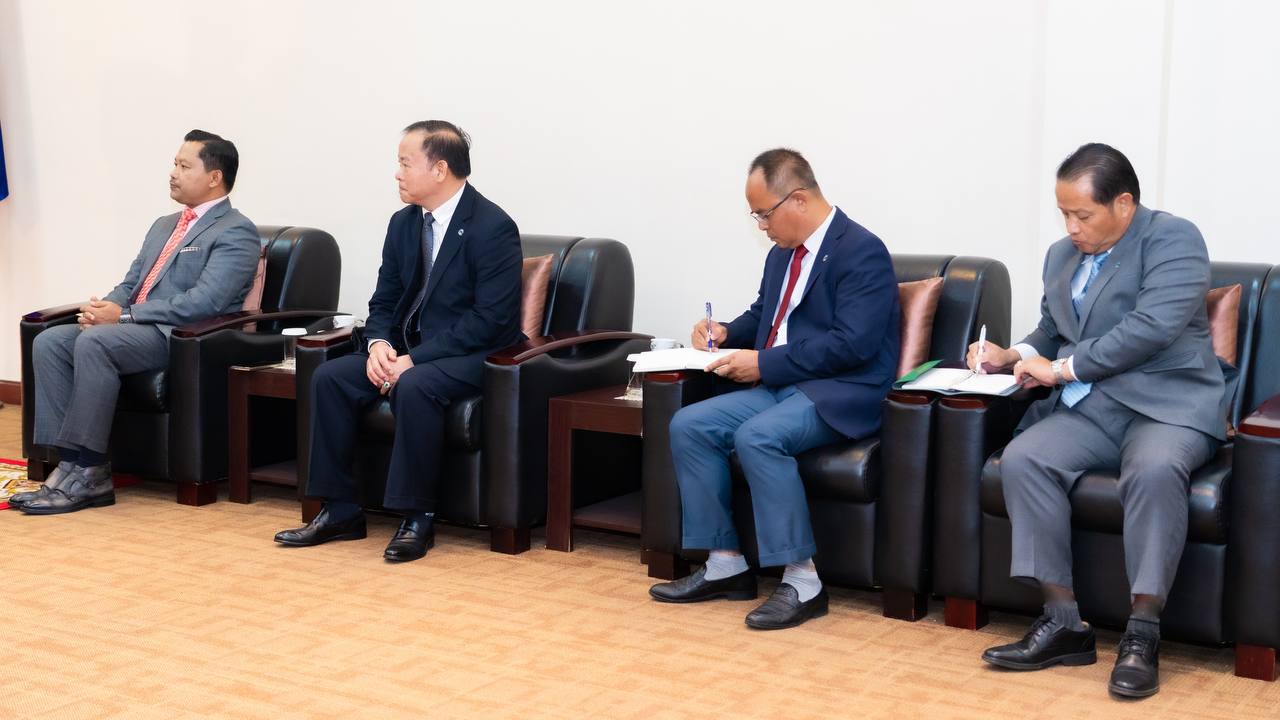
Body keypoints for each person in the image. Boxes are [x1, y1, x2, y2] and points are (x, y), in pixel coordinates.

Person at [970, 143, 1225, 698]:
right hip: (1095, 407)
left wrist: (1060, 369)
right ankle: (1064, 623)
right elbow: (1051, 328)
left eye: (1082, 215)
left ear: (1124, 204)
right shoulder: (1061, 256)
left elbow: (1151, 328)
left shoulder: (1173, 239)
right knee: (1025, 458)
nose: (1071, 227)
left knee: (1153, 471)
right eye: (1064, 213)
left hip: (1169, 405)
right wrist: (1011, 355)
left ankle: (1143, 632)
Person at [648, 148, 901, 629]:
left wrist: (763, 364)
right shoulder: (782, 255)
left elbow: (853, 344)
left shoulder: (861, 251)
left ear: (798, 199)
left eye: (764, 214)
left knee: (758, 436)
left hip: (841, 389)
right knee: (690, 425)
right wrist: (725, 331)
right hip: (785, 383)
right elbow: (766, 316)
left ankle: (804, 581)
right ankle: (725, 565)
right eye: (757, 216)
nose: (762, 226)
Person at [274, 120, 523, 562]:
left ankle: (417, 517)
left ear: (440, 169)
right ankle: (340, 510)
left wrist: (414, 360)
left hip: (475, 354)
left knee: (416, 384)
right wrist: (378, 345)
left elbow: (490, 320)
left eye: (406, 164)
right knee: (331, 378)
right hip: (408, 350)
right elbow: (385, 298)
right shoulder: (404, 224)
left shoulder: (492, 226)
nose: (397, 173)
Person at [15, 130, 259, 514]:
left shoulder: (236, 230)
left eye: (184, 166)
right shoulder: (164, 225)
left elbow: (205, 302)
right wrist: (103, 310)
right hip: (133, 329)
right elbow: (132, 284)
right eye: (174, 164)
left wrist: (125, 316)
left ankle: (91, 472)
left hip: (177, 337)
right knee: (51, 341)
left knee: (95, 343)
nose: (173, 173)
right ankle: (68, 464)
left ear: (215, 177)